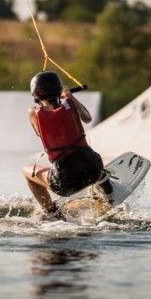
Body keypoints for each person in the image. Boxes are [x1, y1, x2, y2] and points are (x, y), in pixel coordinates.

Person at [23, 71, 112, 218]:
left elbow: (39, 133)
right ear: (59, 89)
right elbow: (88, 118)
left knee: (26, 171)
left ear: (36, 94)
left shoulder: (33, 112)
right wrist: (70, 97)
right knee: (89, 158)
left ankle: (51, 211)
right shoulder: (69, 103)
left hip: (65, 183)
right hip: (93, 170)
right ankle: (106, 186)